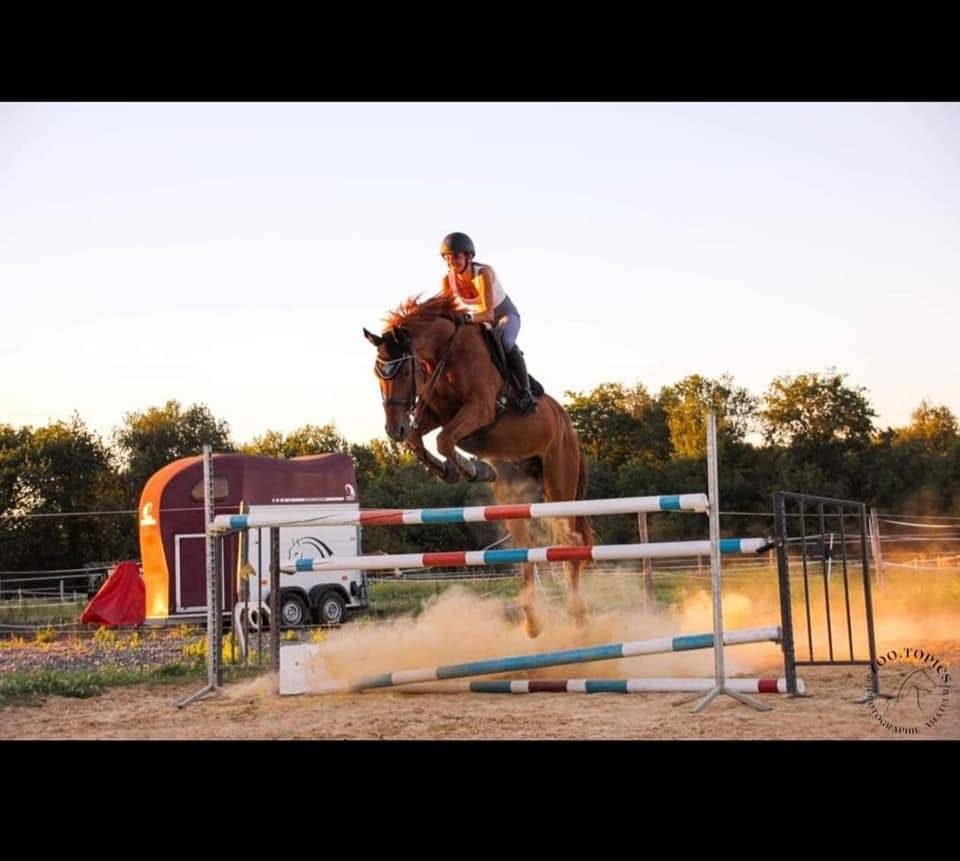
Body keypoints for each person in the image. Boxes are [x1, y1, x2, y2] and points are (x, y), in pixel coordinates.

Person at [438, 231, 537, 414]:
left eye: (456, 257)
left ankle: (526, 391)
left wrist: (466, 318)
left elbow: (488, 313)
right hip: (478, 318)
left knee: (504, 341)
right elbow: (448, 310)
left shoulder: (483, 273)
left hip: (504, 315)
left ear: (468, 256)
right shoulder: (447, 280)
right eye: (447, 258)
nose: (451, 262)